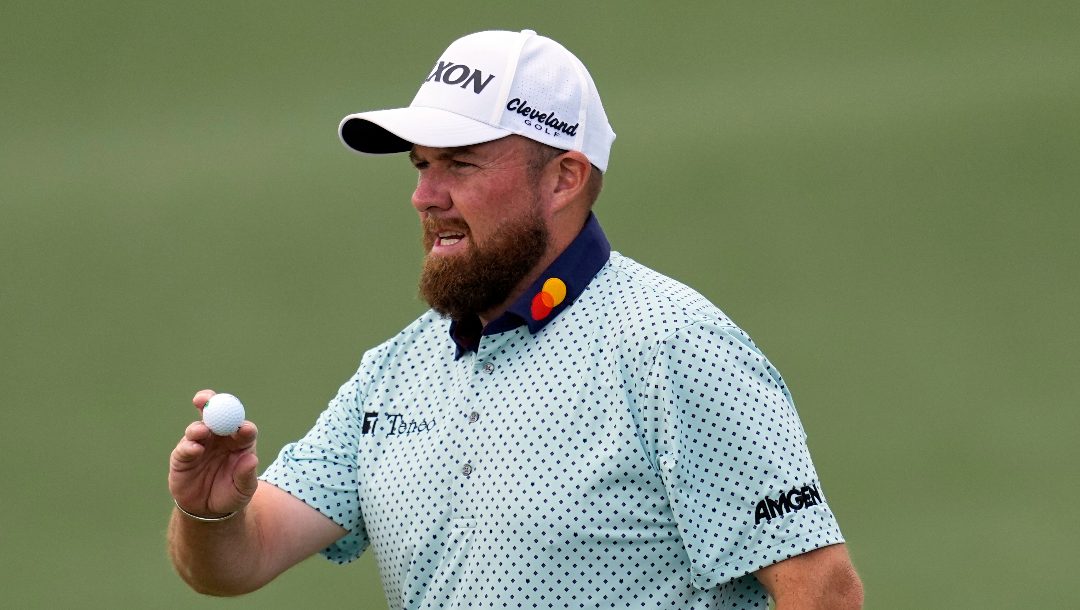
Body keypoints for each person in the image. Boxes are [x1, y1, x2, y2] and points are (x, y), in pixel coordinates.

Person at [167, 29, 863, 609]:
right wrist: (209, 511)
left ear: (563, 178)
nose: (424, 196)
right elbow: (242, 558)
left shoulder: (674, 345)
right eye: (420, 165)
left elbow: (823, 589)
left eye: (460, 165)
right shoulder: (394, 372)